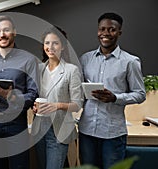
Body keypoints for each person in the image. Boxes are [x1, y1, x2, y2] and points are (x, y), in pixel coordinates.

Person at [78, 12, 146, 169]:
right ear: (97, 31)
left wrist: (115, 98)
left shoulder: (130, 62)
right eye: (102, 29)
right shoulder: (85, 59)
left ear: (119, 32)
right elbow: (79, 91)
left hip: (113, 134)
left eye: (111, 29)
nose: (106, 33)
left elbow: (140, 94)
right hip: (86, 130)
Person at [0, 15, 39, 169]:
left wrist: (8, 95)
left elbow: (33, 94)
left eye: (6, 30)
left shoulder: (28, 59)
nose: (1, 34)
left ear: (14, 32)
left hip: (16, 124)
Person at [31, 26, 83, 169]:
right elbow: (34, 96)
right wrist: (34, 106)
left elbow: (77, 104)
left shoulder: (71, 70)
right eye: (47, 43)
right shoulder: (39, 69)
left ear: (63, 46)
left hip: (59, 130)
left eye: (55, 43)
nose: (50, 47)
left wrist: (57, 105)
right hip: (40, 129)